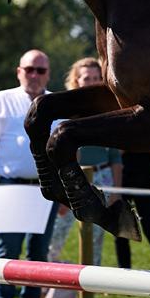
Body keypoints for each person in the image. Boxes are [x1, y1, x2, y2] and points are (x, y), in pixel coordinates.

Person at [0, 49, 59, 298]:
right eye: (29, 69)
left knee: (38, 255)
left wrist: (63, 193)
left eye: (40, 71)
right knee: (8, 252)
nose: (34, 75)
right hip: (10, 188)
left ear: (48, 74)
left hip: (45, 189)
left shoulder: (56, 104)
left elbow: (61, 154)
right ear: (18, 71)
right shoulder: (3, 99)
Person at [46, 58, 123, 266]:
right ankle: (46, 282)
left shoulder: (110, 111)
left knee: (97, 235)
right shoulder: (65, 112)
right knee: (57, 234)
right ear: (76, 81)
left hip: (102, 177)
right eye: (87, 78)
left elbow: (115, 156)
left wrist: (116, 190)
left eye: (96, 78)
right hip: (72, 177)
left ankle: (92, 286)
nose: (91, 82)